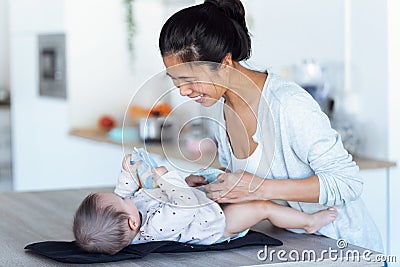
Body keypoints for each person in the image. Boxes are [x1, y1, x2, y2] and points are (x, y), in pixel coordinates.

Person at [158, 0, 383, 252]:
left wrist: (257, 188)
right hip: (296, 246)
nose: (183, 91)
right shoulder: (222, 108)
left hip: (347, 249)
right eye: (176, 81)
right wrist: (212, 184)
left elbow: (347, 182)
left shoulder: (287, 104)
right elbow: (250, 175)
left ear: (225, 63)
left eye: (190, 80)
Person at [73, 153, 338, 255]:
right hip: (214, 225)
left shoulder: (129, 213)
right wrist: (165, 178)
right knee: (262, 206)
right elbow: (184, 203)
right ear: (132, 223)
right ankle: (309, 223)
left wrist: (127, 171)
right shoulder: (157, 227)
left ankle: (196, 181)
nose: (124, 195)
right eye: (120, 200)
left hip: (199, 205)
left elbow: (126, 190)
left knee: (195, 180)